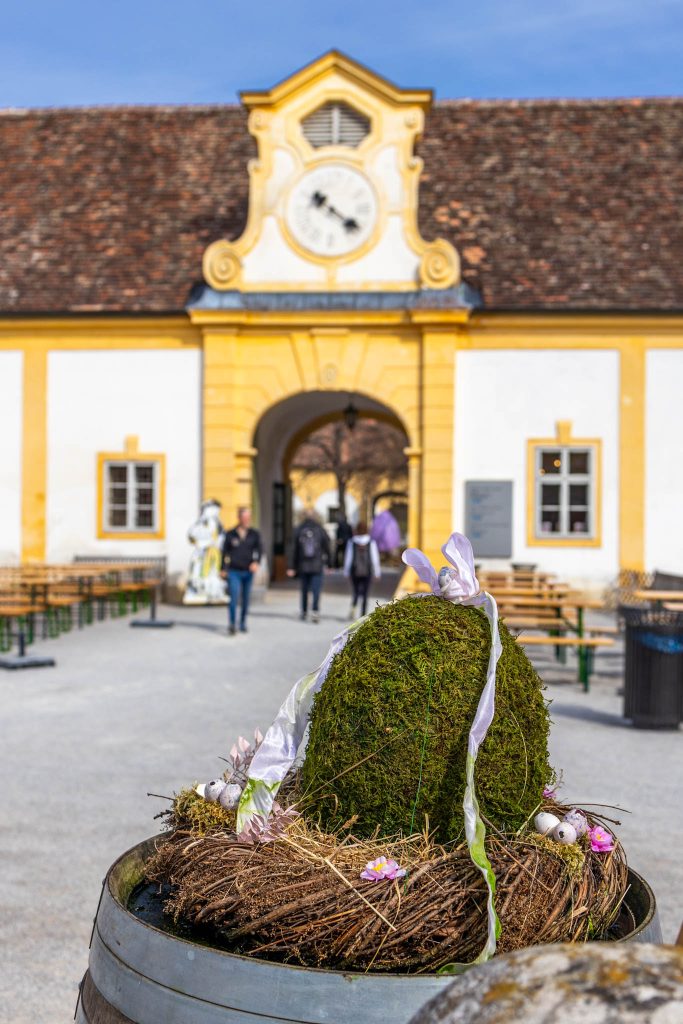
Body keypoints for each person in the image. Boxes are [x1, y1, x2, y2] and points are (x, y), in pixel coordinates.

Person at [221, 507, 262, 635]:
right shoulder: (230, 534)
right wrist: (222, 569)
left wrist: (256, 562)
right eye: (244, 517)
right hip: (233, 571)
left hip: (248, 572)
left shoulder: (254, 534)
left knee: (245, 599)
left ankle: (243, 622)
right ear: (239, 518)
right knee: (233, 597)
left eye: (248, 518)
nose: (246, 520)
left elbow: (260, 550)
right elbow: (224, 553)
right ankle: (232, 624)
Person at [287, 510, 331, 623]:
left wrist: (291, 566)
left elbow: (293, 549)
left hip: (303, 565)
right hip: (317, 565)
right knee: (316, 589)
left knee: (304, 589)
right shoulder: (320, 530)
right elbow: (327, 547)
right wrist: (330, 564)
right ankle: (315, 611)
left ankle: (304, 611)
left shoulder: (299, 529)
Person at [343, 521, 381, 618]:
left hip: (354, 571)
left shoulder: (351, 542)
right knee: (365, 593)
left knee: (355, 591)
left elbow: (348, 557)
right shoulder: (371, 542)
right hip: (367, 571)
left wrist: (346, 572)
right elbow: (375, 558)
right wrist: (377, 572)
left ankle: (353, 608)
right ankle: (363, 614)